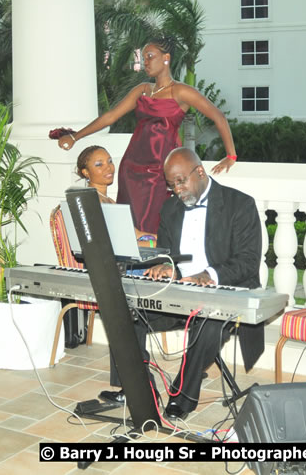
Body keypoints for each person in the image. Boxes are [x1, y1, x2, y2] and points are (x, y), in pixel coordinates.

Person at [100, 147, 263, 420]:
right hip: (178, 292)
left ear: (199, 172)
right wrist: (165, 267)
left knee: (210, 323)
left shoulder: (240, 204)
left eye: (181, 181)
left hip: (223, 291)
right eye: (170, 184)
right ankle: (137, 386)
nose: (176, 190)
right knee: (126, 313)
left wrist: (209, 274)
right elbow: (167, 255)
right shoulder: (170, 208)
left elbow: (248, 261)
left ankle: (182, 397)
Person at [56, 36, 238, 237]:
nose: (146, 63)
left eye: (150, 56)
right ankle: (130, 268)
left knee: (152, 226)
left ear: (166, 58)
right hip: (131, 169)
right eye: (143, 58)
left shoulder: (181, 91)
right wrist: (75, 137)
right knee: (128, 226)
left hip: (159, 171)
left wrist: (231, 156)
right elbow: (110, 116)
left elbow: (218, 116)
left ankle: (154, 266)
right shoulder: (142, 90)